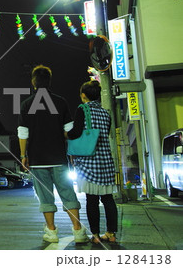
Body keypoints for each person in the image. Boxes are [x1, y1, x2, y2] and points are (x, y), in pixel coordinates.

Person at [18, 64, 88, 244]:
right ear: (49, 82)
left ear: (33, 82)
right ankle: (78, 231)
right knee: (68, 193)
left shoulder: (26, 104)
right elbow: (69, 131)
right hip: (58, 158)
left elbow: (23, 133)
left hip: (37, 159)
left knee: (45, 196)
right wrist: (69, 149)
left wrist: (23, 155)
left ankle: (51, 231)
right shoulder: (60, 102)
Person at [66, 80, 117, 244]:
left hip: (89, 161)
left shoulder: (83, 109)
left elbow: (76, 132)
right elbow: (105, 133)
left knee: (92, 200)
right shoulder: (105, 113)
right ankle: (111, 233)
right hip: (106, 161)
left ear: (83, 95)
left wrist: (65, 134)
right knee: (108, 199)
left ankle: (95, 235)